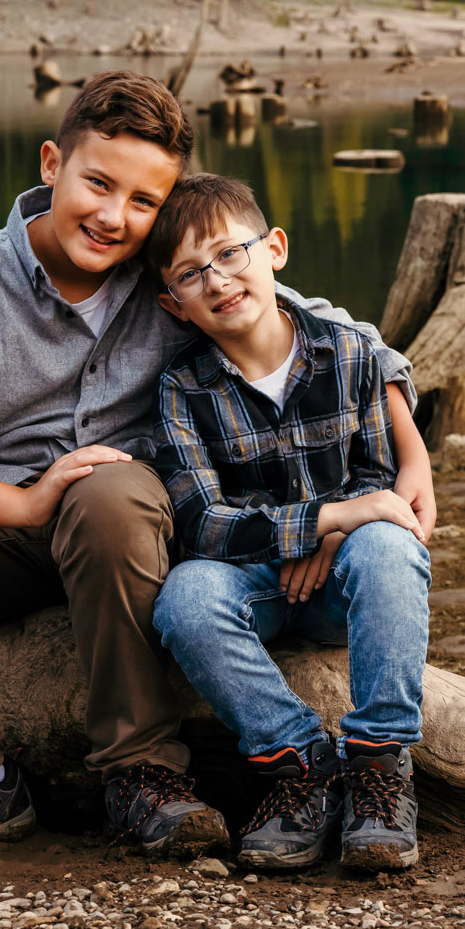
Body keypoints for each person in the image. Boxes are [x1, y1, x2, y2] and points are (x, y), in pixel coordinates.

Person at [0, 72, 434, 876]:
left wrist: (408, 442)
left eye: (143, 202)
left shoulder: (167, 276)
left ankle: (141, 769)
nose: (115, 217)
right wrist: (19, 507)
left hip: (126, 538)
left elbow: (323, 321)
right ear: (53, 163)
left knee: (112, 489)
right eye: (97, 184)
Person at [147, 172, 431, 873]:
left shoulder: (354, 355)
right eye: (190, 273)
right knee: (186, 596)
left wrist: (334, 535)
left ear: (273, 248)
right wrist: (317, 521)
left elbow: (376, 475)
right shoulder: (180, 390)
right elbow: (205, 523)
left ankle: (379, 766)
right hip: (255, 588)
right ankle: (304, 767)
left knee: (390, 546)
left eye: (229, 254)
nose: (216, 280)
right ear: (172, 303)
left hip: (342, 580)